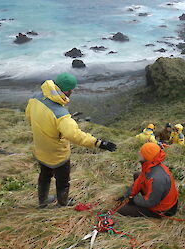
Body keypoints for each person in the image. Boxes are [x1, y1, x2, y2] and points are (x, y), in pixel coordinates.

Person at [25, 73, 117, 208]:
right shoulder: (61, 115)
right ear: (67, 91)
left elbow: (29, 117)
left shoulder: (35, 99)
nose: (72, 92)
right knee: (62, 180)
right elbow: (75, 135)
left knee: (44, 176)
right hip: (58, 154)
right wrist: (99, 143)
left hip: (40, 148)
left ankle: (43, 201)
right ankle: (63, 203)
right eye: (72, 90)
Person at [117, 142, 178, 218]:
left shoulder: (157, 178)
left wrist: (134, 200)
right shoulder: (150, 165)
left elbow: (150, 202)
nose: (139, 152)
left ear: (147, 157)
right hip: (156, 198)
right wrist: (127, 195)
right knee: (137, 175)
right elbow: (139, 181)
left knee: (121, 210)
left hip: (163, 209)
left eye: (142, 152)